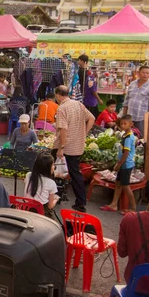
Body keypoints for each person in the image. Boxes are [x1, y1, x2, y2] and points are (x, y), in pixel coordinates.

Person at [53, 85, 94, 213]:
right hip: (78, 145)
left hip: (67, 147)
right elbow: (92, 118)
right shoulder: (78, 104)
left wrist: (61, 147)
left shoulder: (62, 108)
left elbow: (63, 129)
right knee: (75, 173)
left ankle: (55, 196)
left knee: (55, 170)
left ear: (58, 95)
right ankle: (80, 202)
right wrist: (84, 133)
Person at [100, 115, 137, 213]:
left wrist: (119, 165)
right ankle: (113, 204)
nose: (123, 125)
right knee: (118, 184)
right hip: (124, 164)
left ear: (131, 124)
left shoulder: (128, 137)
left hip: (126, 164)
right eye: (121, 124)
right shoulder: (125, 135)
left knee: (125, 186)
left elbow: (126, 153)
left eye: (125, 124)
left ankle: (133, 208)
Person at [122, 65, 149, 137]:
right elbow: (126, 101)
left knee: (141, 138)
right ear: (138, 73)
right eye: (143, 72)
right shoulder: (132, 84)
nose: (145, 75)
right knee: (128, 137)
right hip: (130, 117)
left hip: (142, 118)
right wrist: (124, 115)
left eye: (147, 73)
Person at [24, 153, 58, 219]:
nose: (54, 166)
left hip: (27, 209)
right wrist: (56, 199)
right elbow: (50, 206)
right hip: (41, 213)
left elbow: (26, 182)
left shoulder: (28, 175)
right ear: (48, 168)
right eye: (53, 164)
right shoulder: (51, 183)